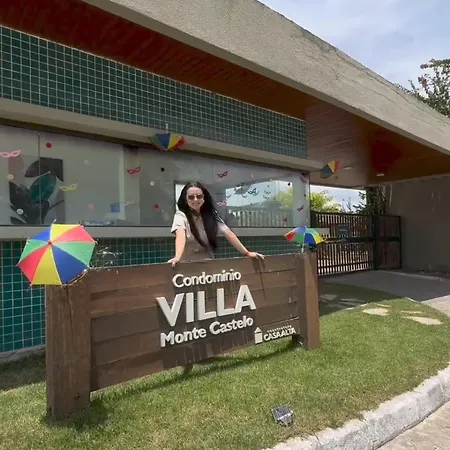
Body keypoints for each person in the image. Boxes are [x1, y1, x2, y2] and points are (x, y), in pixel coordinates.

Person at [169, 181, 264, 266]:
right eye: (191, 197)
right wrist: (177, 257)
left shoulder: (211, 216)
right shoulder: (180, 216)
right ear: (185, 200)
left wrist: (247, 253)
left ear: (204, 198)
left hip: (208, 265)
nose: (195, 200)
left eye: (199, 196)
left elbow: (228, 233)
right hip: (186, 266)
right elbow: (180, 235)